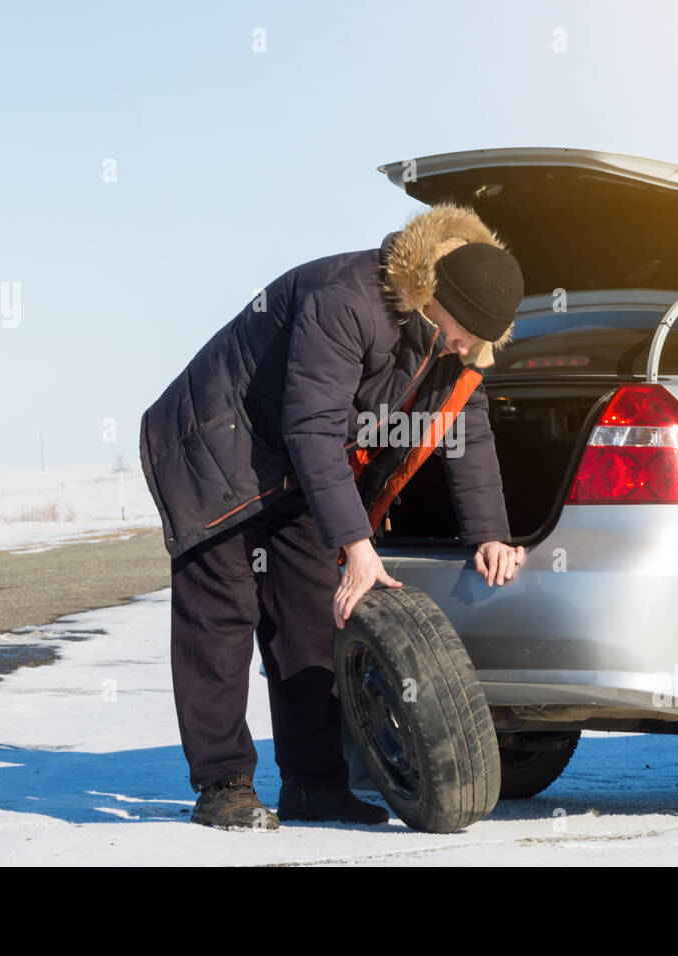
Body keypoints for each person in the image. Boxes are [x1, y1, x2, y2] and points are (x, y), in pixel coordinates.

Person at [139, 202, 528, 830]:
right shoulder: (347, 298)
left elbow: (467, 429)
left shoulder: (456, 344)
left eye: (479, 340)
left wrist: (489, 532)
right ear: (435, 293)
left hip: (296, 469)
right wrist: (356, 542)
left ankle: (315, 787)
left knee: (308, 620)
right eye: (463, 331)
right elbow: (313, 426)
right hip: (216, 448)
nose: (466, 348)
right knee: (222, 617)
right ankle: (223, 786)